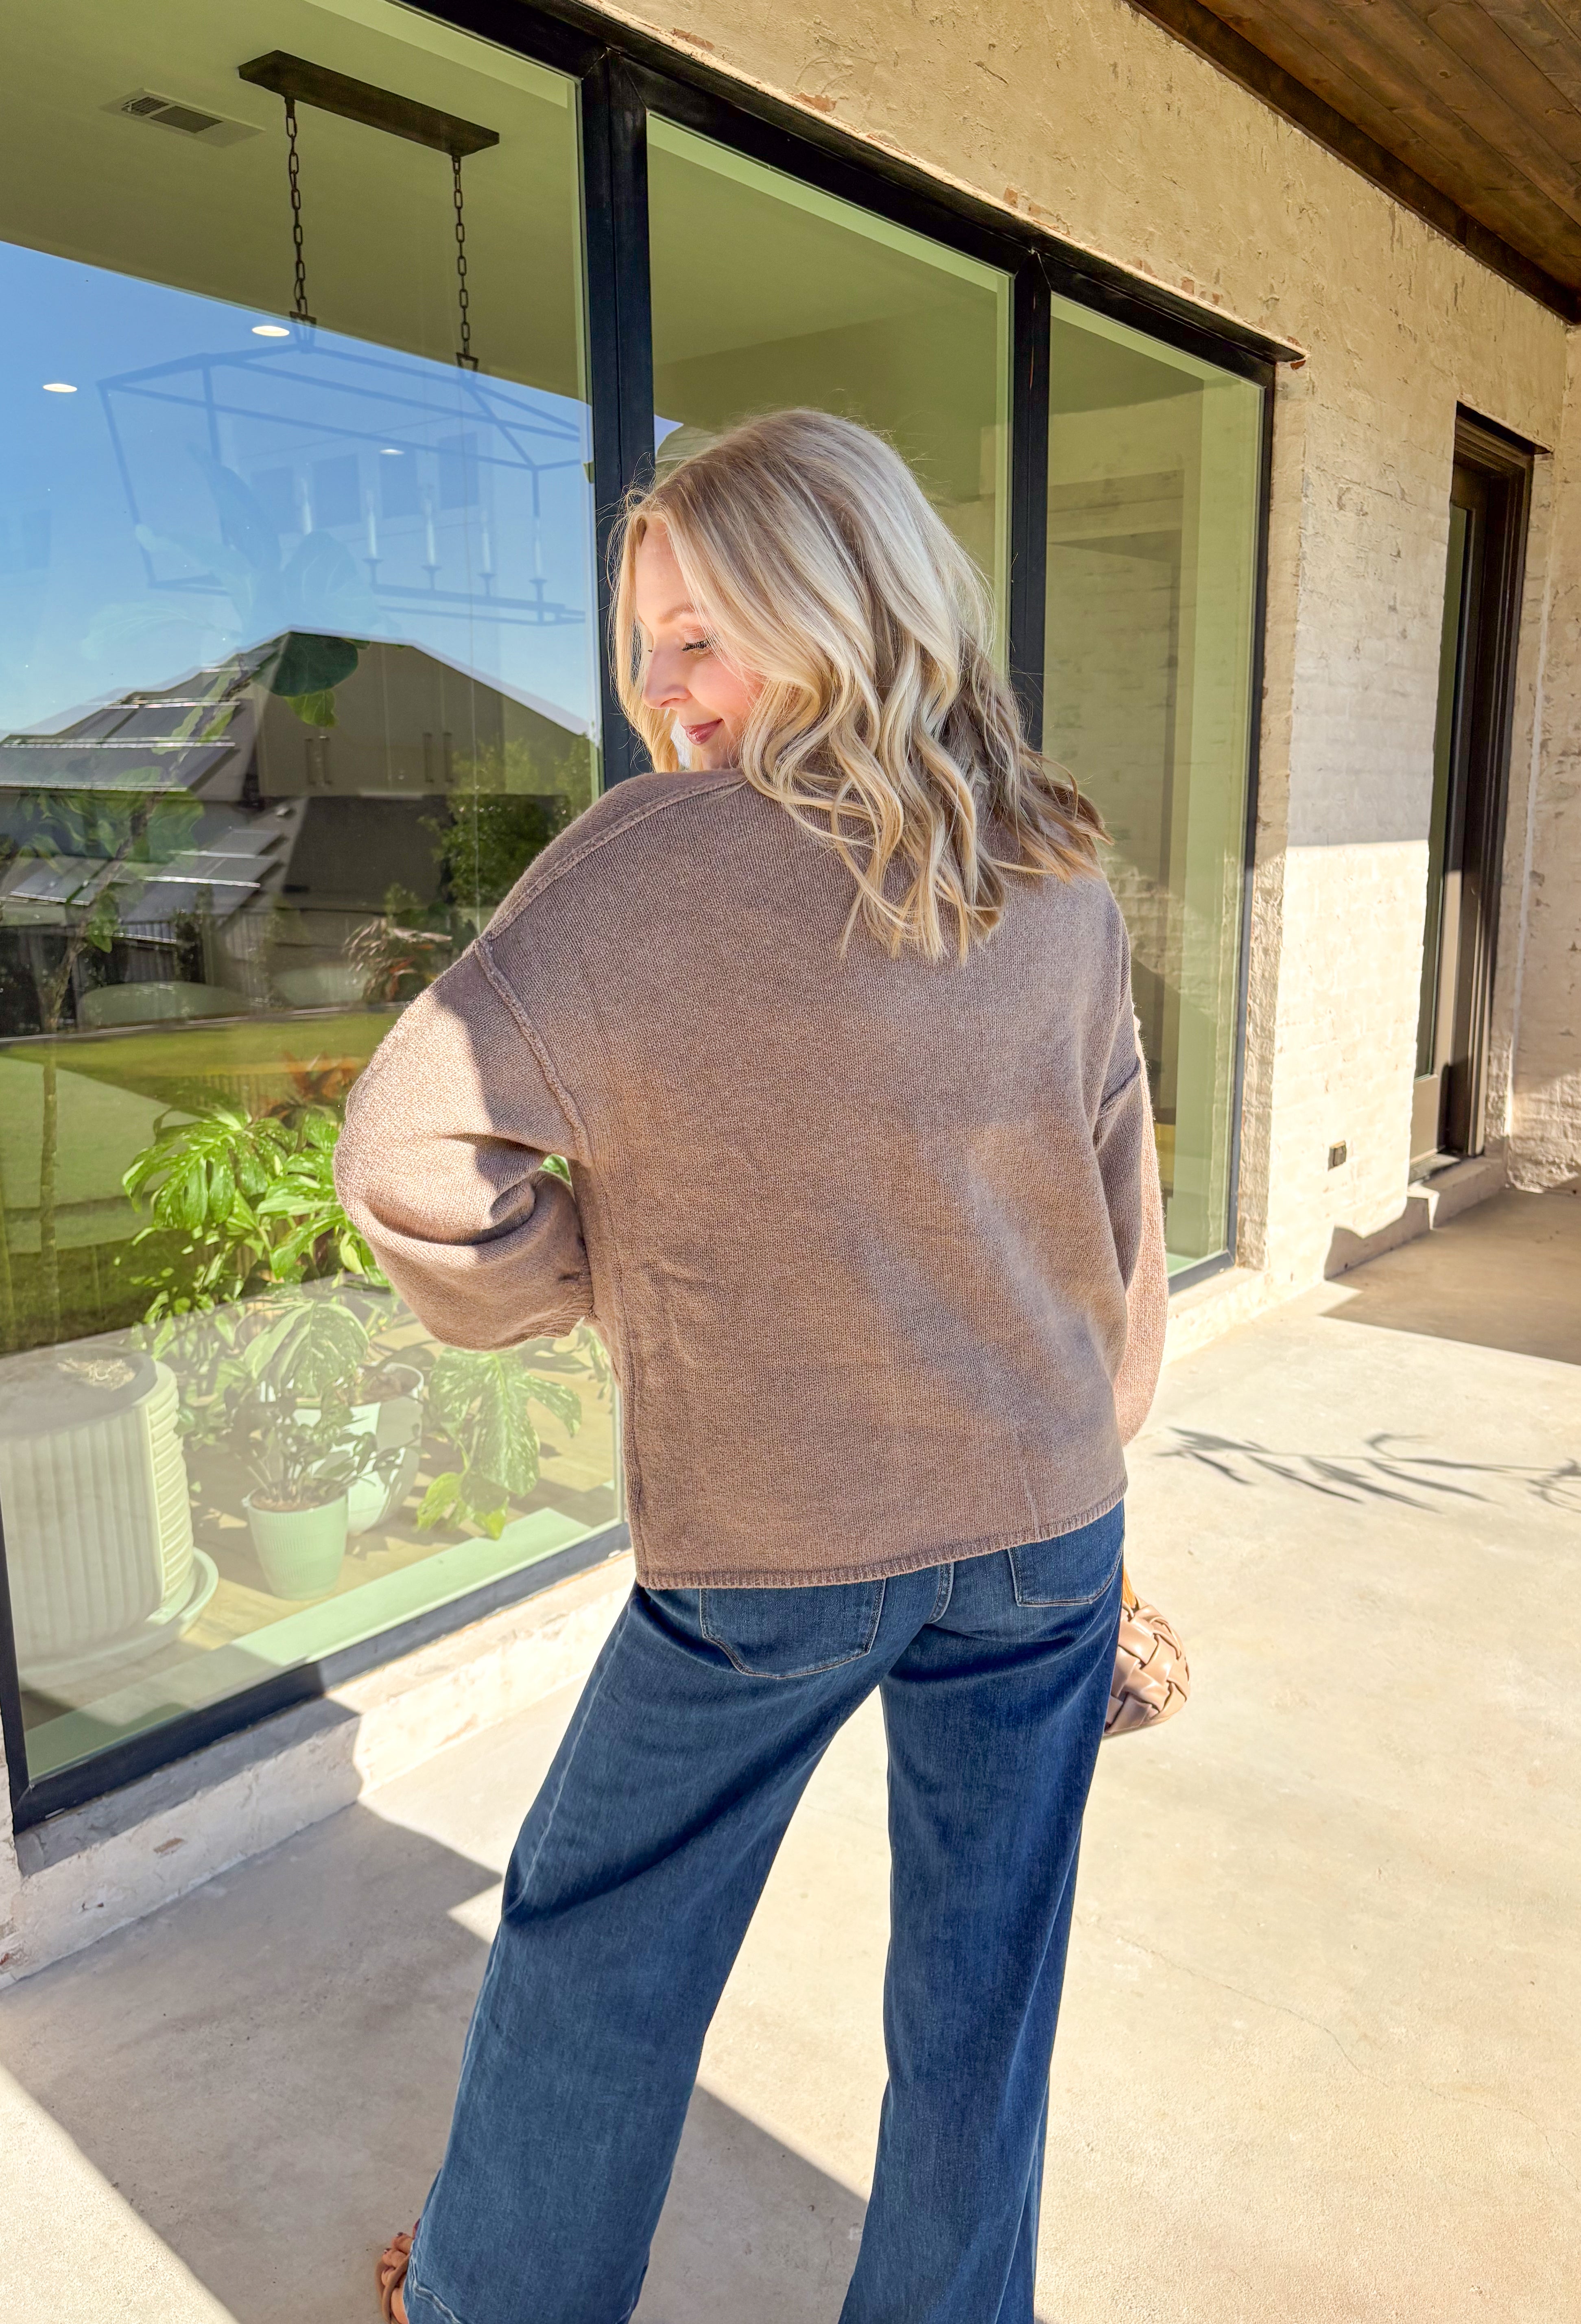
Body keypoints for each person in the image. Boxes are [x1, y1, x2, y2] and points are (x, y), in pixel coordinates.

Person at [338, 407, 1168, 2324]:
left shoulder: (647, 869)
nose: (664, 692)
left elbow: (402, 1165)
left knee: (597, 1939)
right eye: (645, 647)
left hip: (771, 1550)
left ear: (843, 602)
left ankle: (495, 2298)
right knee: (986, 1992)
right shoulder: (1056, 867)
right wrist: (1084, 1457)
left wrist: (589, 1275)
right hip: (1046, 1531)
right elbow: (1123, 1218)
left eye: (703, 633)